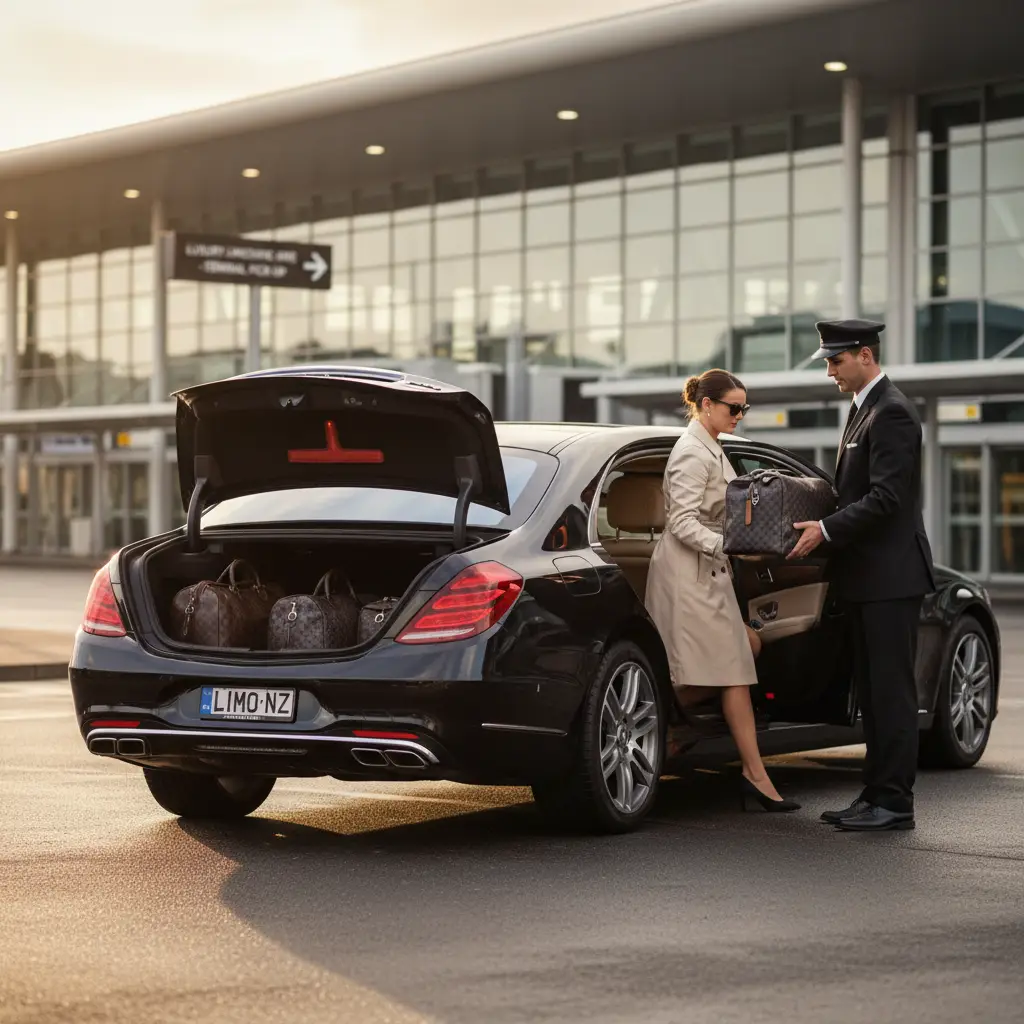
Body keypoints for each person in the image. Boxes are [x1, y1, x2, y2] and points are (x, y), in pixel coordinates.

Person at [789, 319, 935, 832]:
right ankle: (876, 794)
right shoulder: (863, 410)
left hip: (891, 579)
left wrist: (826, 529)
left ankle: (895, 803)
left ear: (865, 356)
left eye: (836, 360)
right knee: (872, 694)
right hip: (870, 579)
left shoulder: (891, 412)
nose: (830, 370)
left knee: (892, 694)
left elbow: (886, 498)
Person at [646, 368, 800, 813]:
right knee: (734, 669)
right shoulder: (691, 453)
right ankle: (755, 775)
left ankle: (672, 725)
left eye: (744, 408)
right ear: (707, 405)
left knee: (743, 647)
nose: (740, 415)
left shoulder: (710, 446)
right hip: (689, 572)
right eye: (735, 407)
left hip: (705, 572)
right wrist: (727, 547)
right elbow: (681, 522)